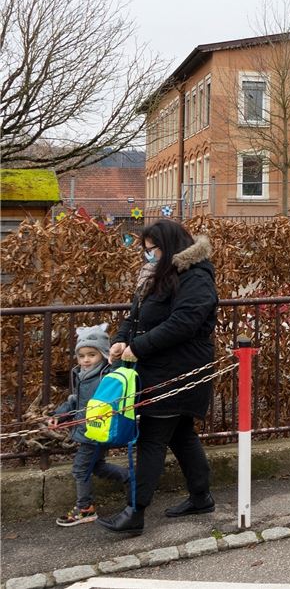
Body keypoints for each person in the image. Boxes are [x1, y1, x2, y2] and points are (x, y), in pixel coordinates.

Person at [99, 220, 218, 536]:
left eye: (154, 249)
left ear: (171, 245)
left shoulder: (196, 275)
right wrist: (121, 339)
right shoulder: (159, 274)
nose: (149, 255)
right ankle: (200, 497)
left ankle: (135, 512)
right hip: (160, 368)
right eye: (146, 250)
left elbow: (184, 322)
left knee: (152, 439)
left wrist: (137, 347)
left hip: (179, 370)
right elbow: (135, 315)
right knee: (181, 433)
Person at [50, 323, 130, 526]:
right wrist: (60, 416)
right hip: (88, 430)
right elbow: (76, 401)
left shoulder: (106, 375)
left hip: (95, 431)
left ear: (103, 354)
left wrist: (115, 361)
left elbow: (118, 379)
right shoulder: (82, 375)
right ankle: (131, 477)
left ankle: (85, 508)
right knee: (97, 467)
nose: (86, 360)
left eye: (91, 355)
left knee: (80, 469)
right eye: (82, 355)